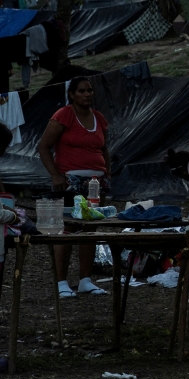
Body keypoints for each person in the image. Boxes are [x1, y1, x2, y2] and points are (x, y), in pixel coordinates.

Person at [37, 77, 110, 297]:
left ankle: (86, 280)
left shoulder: (99, 118)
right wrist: (55, 176)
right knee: (66, 229)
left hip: (96, 182)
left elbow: (104, 148)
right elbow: (43, 146)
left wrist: (109, 173)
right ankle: (61, 282)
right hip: (70, 179)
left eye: (90, 90)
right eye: (82, 91)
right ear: (72, 94)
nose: (87, 94)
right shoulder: (64, 115)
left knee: (89, 229)